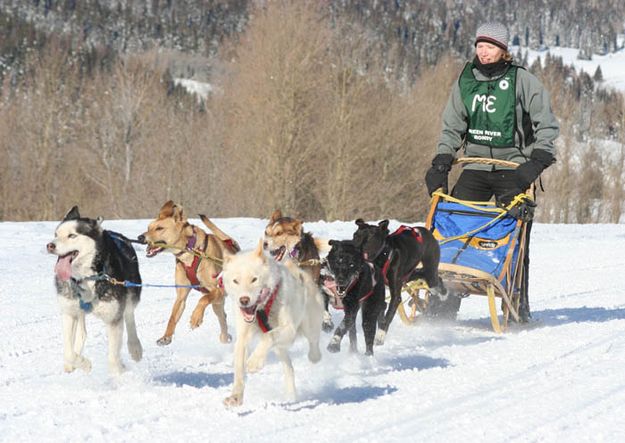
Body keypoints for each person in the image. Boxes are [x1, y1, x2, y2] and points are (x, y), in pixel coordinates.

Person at [425, 21, 559, 322]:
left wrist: (537, 162)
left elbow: (546, 123)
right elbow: (452, 125)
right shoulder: (466, 81)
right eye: (480, 46)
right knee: (451, 229)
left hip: (514, 168)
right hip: (474, 166)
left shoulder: (521, 80)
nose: (484, 52)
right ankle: (441, 309)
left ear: (503, 50)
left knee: (514, 236)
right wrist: (441, 160)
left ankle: (516, 306)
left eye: (491, 47)